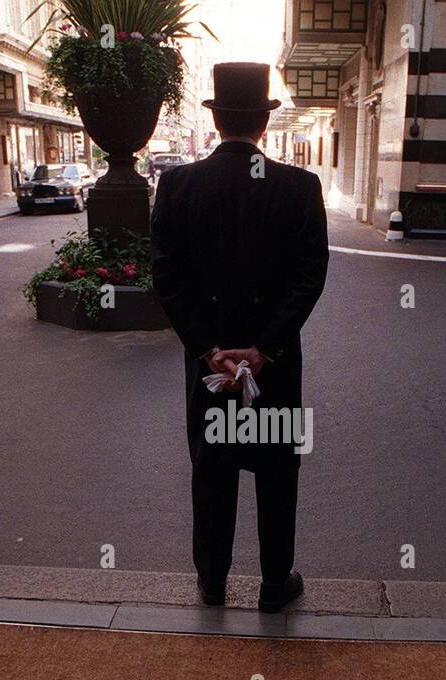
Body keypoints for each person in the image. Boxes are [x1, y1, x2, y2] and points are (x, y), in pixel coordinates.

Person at [151, 62, 329, 613]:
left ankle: (212, 582)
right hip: (273, 367)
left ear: (217, 119)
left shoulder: (178, 185)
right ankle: (275, 584)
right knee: (277, 470)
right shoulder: (299, 187)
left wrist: (211, 351)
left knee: (213, 469)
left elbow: (168, 278)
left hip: (211, 369)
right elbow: (309, 276)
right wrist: (264, 349)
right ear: (264, 125)